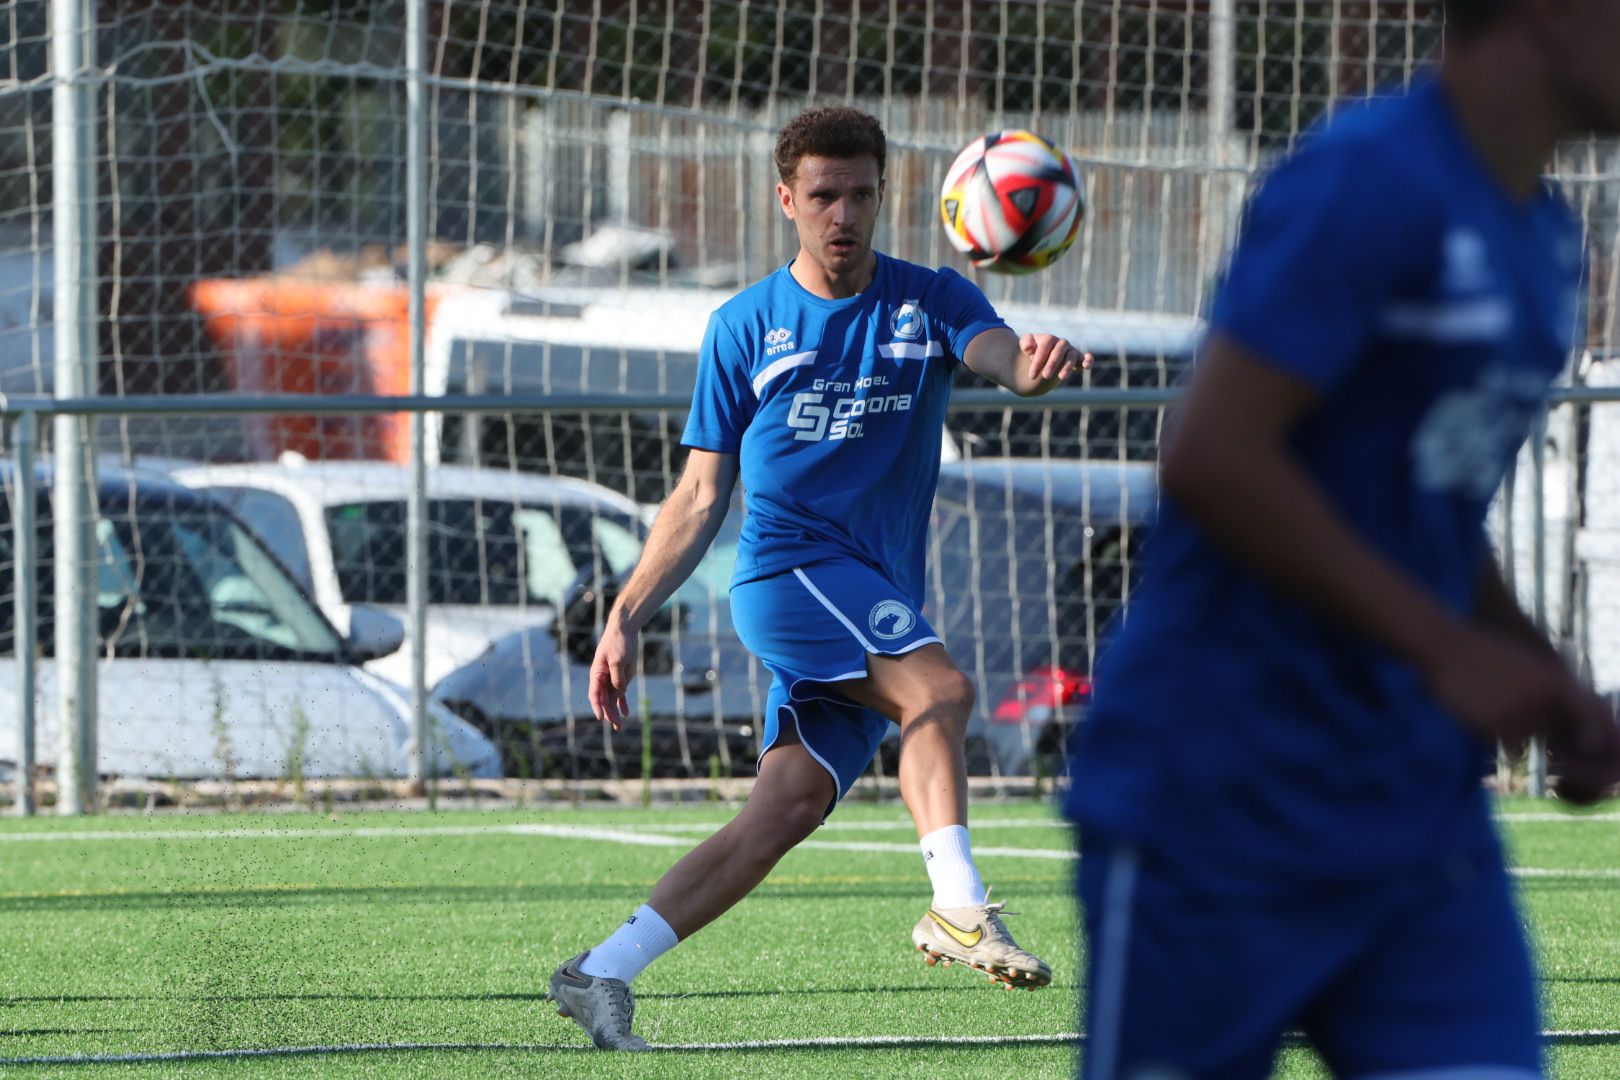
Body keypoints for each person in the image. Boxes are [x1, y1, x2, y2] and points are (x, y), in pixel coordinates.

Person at [1065, 0, 1620, 1075]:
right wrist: (1447, 651)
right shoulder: (1367, 178)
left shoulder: (1548, 237)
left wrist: (1546, 673)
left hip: (1415, 812)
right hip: (1220, 800)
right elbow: (1214, 453)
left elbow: (1429, 504)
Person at [546, 104, 1088, 1051]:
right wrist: (625, 612)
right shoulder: (744, 325)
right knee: (943, 690)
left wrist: (1031, 367)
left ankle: (600, 972)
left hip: (869, 590)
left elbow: (998, 356)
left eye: (862, 194)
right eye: (824, 195)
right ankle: (959, 908)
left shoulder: (931, 299)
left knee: (786, 807)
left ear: (886, 197)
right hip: (790, 575)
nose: (844, 214)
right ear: (787, 198)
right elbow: (699, 494)